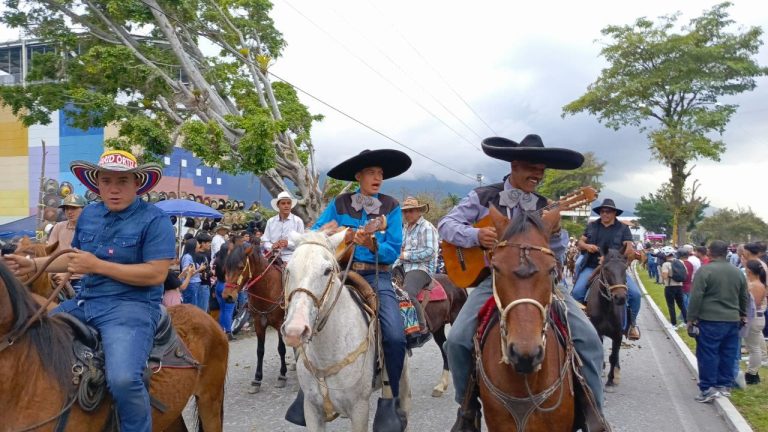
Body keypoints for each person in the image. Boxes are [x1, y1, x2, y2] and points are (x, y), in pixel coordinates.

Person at [439, 134, 606, 431]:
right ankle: (467, 408)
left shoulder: (545, 205)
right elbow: (446, 224)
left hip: (541, 283)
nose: (539, 175)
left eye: (542, 169)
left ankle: (594, 410)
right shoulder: (482, 196)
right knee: (457, 340)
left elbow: (553, 254)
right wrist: (476, 236)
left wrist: (551, 237)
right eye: (533, 167)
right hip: (494, 280)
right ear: (515, 165)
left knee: (589, 339)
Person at [4, 149, 175, 432]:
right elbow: (74, 258)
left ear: (137, 183)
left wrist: (98, 266)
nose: (114, 189)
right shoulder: (90, 214)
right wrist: (31, 264)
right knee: (33, 343)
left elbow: (157, 273)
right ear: (97, 184)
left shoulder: (155, 220)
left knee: (123, 379)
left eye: (122, 182)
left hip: (130, 308)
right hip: (85, 302)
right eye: (106, 181)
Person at [286, 149, 411, 429]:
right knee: (304, 316)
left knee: (394, 335)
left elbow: (393, 248)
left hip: (377, 275)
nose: (378, 177)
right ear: (359, 177)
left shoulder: (390, 206)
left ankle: (389, 398)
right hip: (339, 272)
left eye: (380, 173)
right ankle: (305, 389)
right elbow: (316, 232)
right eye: (372, 172)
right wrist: (325, 232)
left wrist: (373, 244)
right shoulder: (340, 203)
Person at [572, 198, 642, 340]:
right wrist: (587, 246)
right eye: (602, 211)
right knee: (576, 293)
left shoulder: (623, 228)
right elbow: (580, 242)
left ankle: (632, 325)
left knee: (635, 295)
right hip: (592, 266)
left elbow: (628, 247)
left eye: (608, 212)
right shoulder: (592, 225)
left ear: (614, 213)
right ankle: (578, 325)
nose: (605, 214)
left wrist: (612, 258)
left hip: (615, 269)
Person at [688, 240, 749, 403]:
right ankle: (724, 386)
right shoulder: (737, 271)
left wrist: (691, 318)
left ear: (710, 252)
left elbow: (696, 296)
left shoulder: (705, 270)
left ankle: (708, 388)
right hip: (733, 319)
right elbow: (744, 296)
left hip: (710, 319)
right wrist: (743, 314)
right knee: (728, 353)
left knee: (708, 353)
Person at [393, 196, 439, 348]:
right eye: (405, 212)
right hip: (404, 267)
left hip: (422, 268)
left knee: (407, 292)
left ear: (419, 211)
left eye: (411, 211)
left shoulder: (427, 227)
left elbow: (431, 252)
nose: (407, 214)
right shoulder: (405, 228)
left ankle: (422, 328)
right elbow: (400, 252)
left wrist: (406, 256)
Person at [47, 193, 87, 293]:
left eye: (74, 208)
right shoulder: (58, 227)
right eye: (66, 208)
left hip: (82, 279)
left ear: (84, 209)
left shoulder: (92, 229)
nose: (69, 212)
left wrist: (67, 275)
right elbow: (51, 254)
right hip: (59, 276)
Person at [261, 191, 305, 264]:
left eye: (288, 203)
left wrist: (288, 243)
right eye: (283, 203)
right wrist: (272, 246)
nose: (286, 206)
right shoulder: (270, 221)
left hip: (292, 258)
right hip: (273, 257)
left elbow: (301, 243)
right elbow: (265, 241)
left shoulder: (298, 221)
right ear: (278, 205)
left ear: (291, 205)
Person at [744, 259, 766, 384]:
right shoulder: (754, 283)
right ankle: (753, 372)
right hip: (756, 318)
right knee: (755, 346)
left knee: (754, 348)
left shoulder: (756, 285)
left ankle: (752, 374)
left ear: (750, 271)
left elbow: (753, 304)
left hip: (754, 318)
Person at [213, 243, 237, 340]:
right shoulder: (229, 263)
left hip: (218, 284)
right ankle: (228, 331)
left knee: (222, 309)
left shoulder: (217, 260)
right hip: (227, 286)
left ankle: (221, 330)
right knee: (228, 310)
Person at [660, 248, 686, 327]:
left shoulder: (666, 264)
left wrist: (664, 276)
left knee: (671, 305)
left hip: (670, 286)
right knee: (681, 305)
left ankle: (674, 324)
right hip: (679, 286)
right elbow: (686, 272)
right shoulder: (680, 262)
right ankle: (686, 321)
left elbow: (664, 276)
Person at [180, 238, 208, 310]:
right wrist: (200, 269)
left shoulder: (192, 256)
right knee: (191, 308)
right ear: (193, 246)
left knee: (194, 307)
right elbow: (186, 273)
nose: (199, 245)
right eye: (198, 244)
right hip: (191, 285)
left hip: (194, 284)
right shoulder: (188, 257)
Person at [195, 232, 213, 312]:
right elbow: (202, 274)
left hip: (205, 285)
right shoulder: (199, 256)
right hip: (202, 285)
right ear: (202, 243)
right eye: (208, 243)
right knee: (202, 311)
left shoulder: (206, 254)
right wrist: (212, 273)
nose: (210, 245)